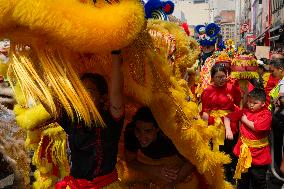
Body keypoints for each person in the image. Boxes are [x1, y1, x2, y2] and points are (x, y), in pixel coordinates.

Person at [56, 50, 125, 189]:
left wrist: (116, 56)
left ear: (103, 97)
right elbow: (48, 98)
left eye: (89, 91)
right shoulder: (71, 120)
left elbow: (117, 92)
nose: (83, 97)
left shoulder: (112, 120)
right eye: (79, 92)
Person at [122, 107, 200, 189]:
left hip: (175, 164)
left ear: (157, 129)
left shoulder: (171, 137)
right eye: (138, 130)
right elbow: (130, 161)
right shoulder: (131, 133)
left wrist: (171, 184)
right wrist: (154, 170)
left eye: (147, 131)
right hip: (148, 162)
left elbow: (193, 161)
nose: (141, 137)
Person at [200, 64, 241, 183]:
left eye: (223, 77)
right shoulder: (207, 91)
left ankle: (228, 176)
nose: (221, 79)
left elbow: (237, 103)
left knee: (229, 150)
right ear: (212, 77)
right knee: (215, 150)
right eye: (218, 77)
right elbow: (205, 111)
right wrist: (204, 128)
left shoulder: (232, 88)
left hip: (230, 124)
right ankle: (216, 177)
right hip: (214, 125)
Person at [224, 88, 272, 189]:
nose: (251, 105)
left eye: (255, 103)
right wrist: (228, 130)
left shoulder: (266, 114)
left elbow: (257, 128)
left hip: (259, 155)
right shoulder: (244, 111)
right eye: (249, 101)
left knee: (259, 182)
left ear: (263, 103)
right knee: (242, 181)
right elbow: (227, 117)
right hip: (243, 154)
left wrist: (244, 119)